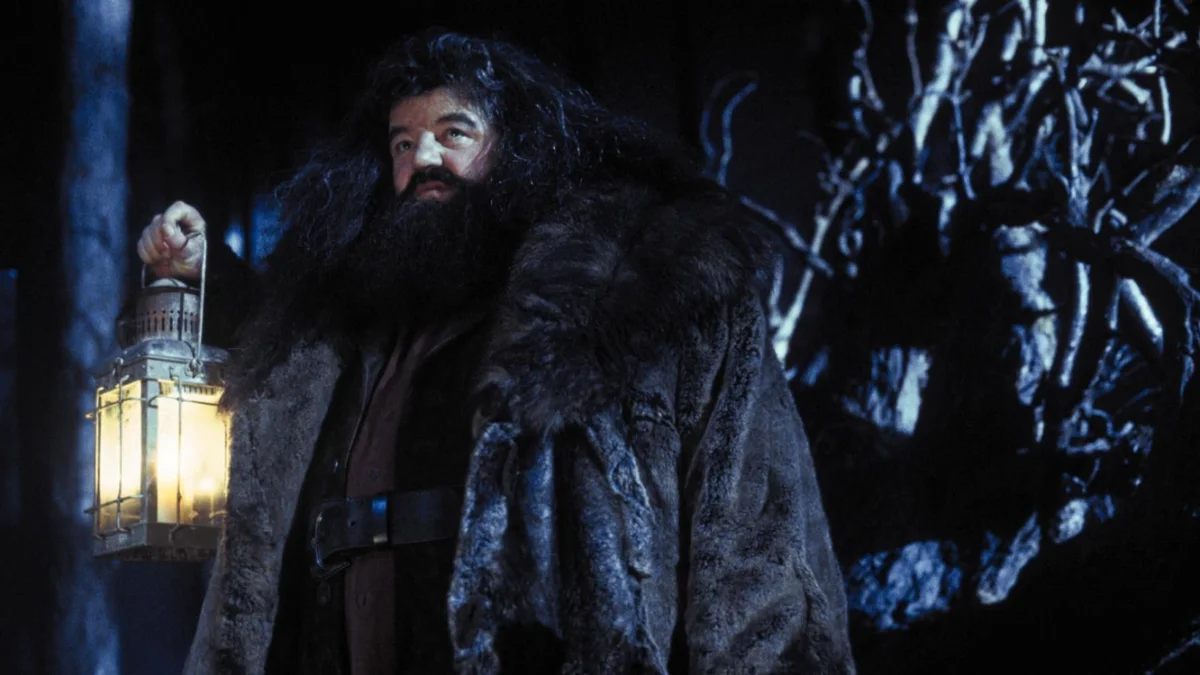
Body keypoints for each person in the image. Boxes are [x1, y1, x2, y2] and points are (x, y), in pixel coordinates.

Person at [136, 29, 856, 675]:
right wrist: (201, 277)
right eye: (401, 143)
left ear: (517, 146)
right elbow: (278, 362)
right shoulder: (356, 319)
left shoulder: (641, 292)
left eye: (454, 132)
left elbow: (755, 540)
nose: (423, 158)